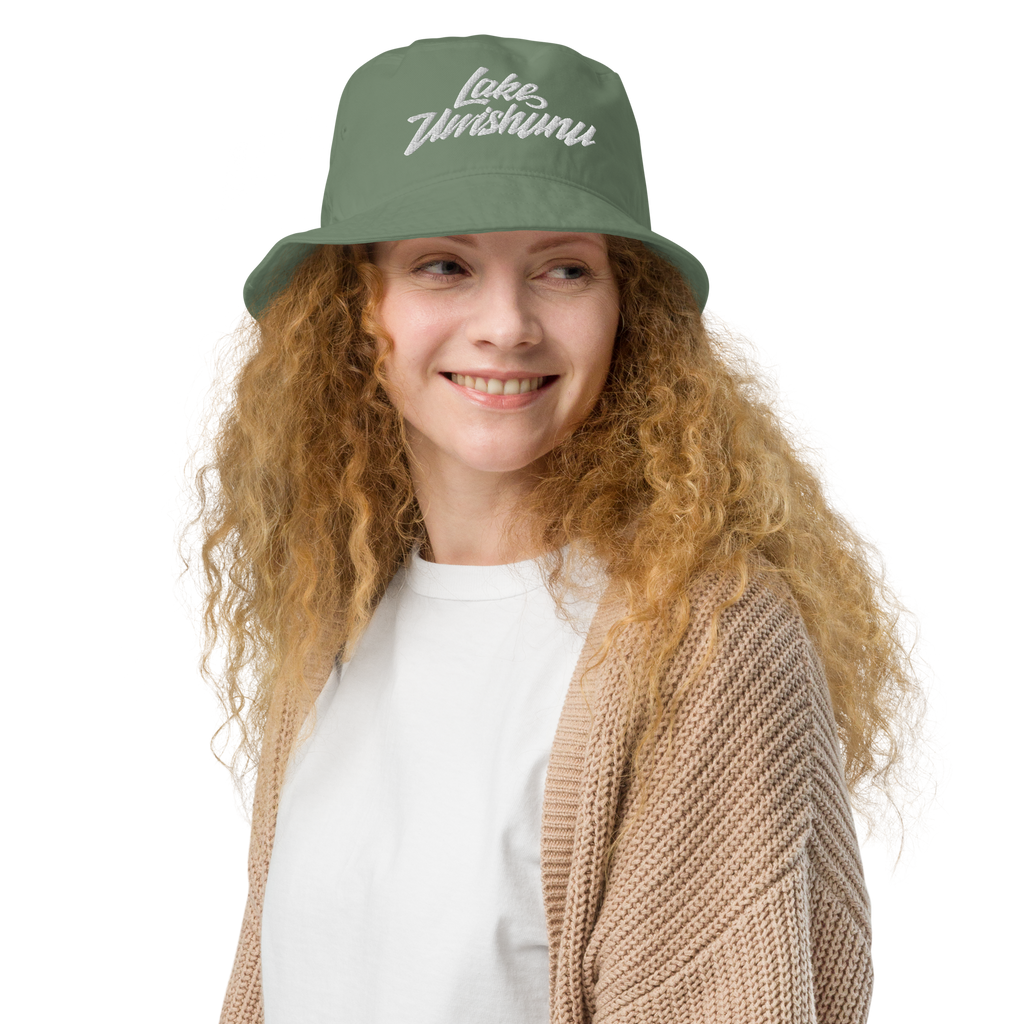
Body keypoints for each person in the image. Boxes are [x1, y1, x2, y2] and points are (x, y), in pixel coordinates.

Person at [161, 32, 965, 1024]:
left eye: (564, 270)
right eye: (444, 265)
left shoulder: (702, 645)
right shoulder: (330, 619)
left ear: (628, 307)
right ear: (357, 310)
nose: (507, 324)